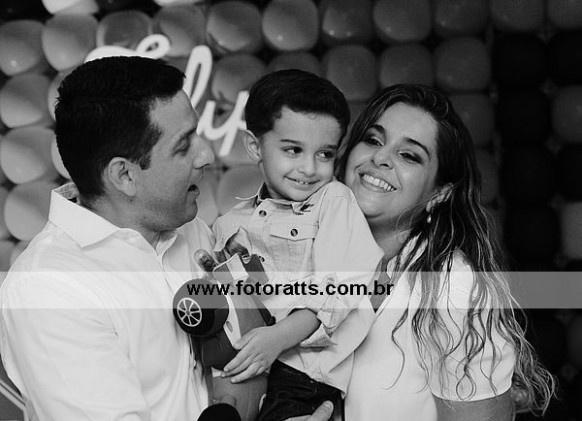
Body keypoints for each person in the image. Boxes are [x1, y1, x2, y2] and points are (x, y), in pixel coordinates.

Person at [0, 57, 333, 421]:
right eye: (183, 145)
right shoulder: (48, 290)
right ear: (125, 175)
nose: (207, 155)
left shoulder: (186, 227)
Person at [334, 84, 555, 420]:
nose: (380, 158)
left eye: (409, 155)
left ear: (440, 193)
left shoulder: (453, 287)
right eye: (373, 140)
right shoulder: (315, 256)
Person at [212, 69, 384, 421]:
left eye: (325, 154)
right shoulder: (229, 223)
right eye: (293, 150)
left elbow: (337, 292)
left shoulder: (333, 201)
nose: (309, 168)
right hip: (247, 361)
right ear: (254, 146)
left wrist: (277, 337)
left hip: (304, 375)